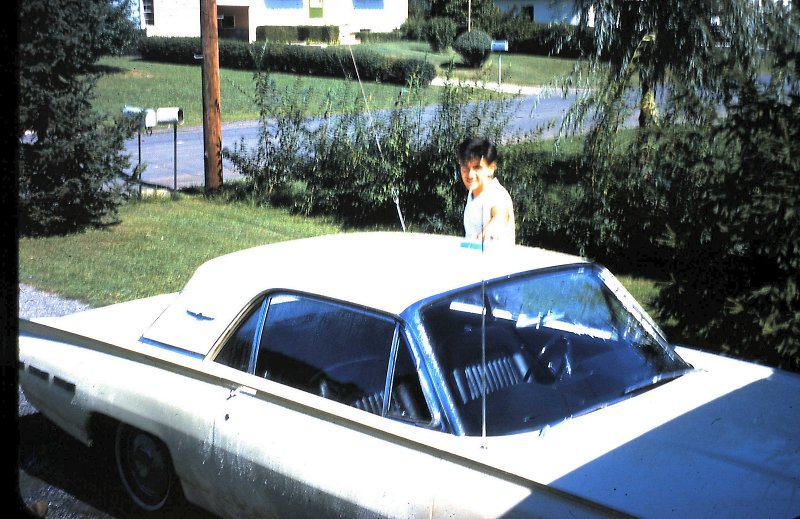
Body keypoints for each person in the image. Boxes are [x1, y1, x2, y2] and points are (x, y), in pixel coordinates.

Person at [457, 137, 516, 243]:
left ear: (491, 168)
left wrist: (489, 230)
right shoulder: (473, 193)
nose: (470, 174)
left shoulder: (496, 193)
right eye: (465, 168)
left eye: (477, 168)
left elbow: (501, 215)